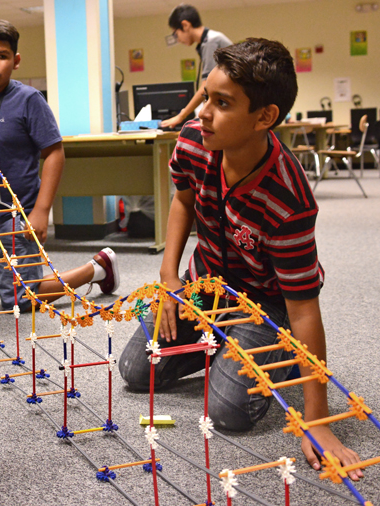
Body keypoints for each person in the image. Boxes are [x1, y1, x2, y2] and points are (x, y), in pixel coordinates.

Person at [118, 38, 363, 480]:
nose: (202, 113)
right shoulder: (194, 141)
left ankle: (274, 354)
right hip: (204, 285)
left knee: (228, 409)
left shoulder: (288, 198)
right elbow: (182, 201)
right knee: (136, 369)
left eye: (222, 103)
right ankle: (225, 346)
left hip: (266, 306)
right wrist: (169, 277)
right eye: (206, 97)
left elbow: (304, 307)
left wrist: (317, 418)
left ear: (264, 117)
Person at [0, 19, 119, 311]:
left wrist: (41, 211)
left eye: (2, 56)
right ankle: (2, 266)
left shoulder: (29, 100)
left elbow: (54, 152)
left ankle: (98, 268)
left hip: (17, 213)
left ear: (15, 61)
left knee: (22, 300)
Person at [160, 4, 232, 130]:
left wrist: (180, 117)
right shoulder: (208, 42)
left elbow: (206, 87)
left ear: (185, 25)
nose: (177, 40)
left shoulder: (211, 42)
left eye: (175, 34)